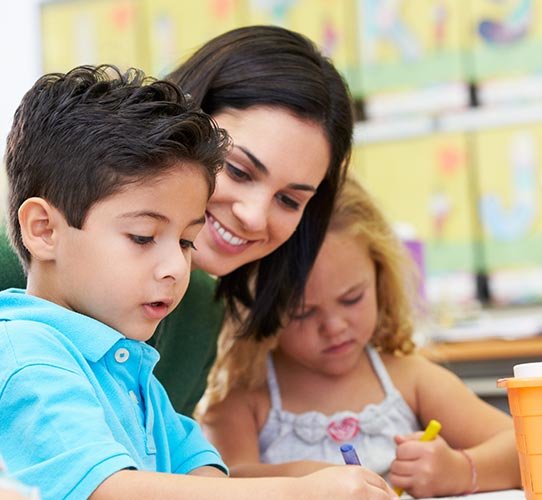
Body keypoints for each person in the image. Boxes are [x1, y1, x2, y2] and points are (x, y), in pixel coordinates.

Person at [0, 65, 394, 500]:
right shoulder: (28, 356)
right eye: (143, 237)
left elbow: (200, 478)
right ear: (44, 230)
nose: (176, 266)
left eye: (187, 241)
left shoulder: (131, 367)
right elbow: (108, 491)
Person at [0, 25, 355, 417]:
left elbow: (165, 470)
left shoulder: (200, 313)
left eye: (289, 200)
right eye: (238, 170)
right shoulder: (20, 265)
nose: (254, 216)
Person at [196, 179, 521, 498]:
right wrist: (306, 482)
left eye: (352, 299)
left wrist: (462, 470)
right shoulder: (245, 397)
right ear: (260, 311)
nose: (334, 326)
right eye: (304, 313)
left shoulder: (409, 379)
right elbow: (220, 485)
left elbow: (525, 445)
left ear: (380, 279)